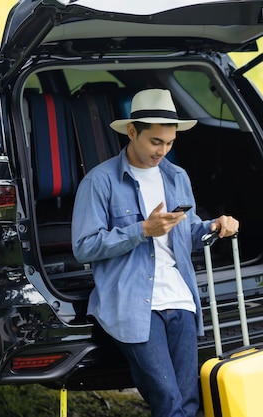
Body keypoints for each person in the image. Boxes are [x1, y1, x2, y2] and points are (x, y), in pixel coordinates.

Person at [71, 88, 239, 417]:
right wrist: (142, 231)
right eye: (155, 142)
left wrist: (213, 227)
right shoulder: (100, 181)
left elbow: (186, 235)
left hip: (180, 298)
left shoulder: (177, 177)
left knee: (189, 399)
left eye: (170, 143)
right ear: (132, 132)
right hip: (133, 304)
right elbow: (84, 246)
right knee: (167, 398)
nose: (162, 151)